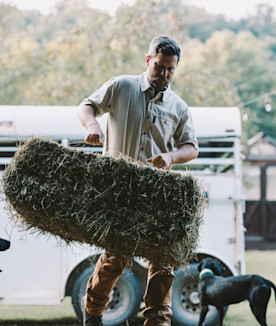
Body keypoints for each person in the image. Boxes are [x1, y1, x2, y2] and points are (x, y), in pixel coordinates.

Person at [77, 35, 199, 326]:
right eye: (159, 67)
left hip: (158, 195)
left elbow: (191, 147)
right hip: (119, 191)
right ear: (148, 61)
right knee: (115, 258)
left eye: (171, 69)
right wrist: (93, 125)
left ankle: (158, 321)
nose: (165, 74)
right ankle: (92, 314)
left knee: (164, 262)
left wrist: (170, 157)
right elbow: (86, 106)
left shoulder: (179, 107)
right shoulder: (122, 86)